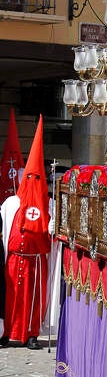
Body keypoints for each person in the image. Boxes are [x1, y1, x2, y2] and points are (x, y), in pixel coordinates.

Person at [1, 116, 50, 350]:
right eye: (28, 177)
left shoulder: (48, 206)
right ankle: (7, 332)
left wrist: (52, 227)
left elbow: (52, 234)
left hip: (35, 263)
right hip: (13, 260)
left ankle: (31, 333)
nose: (32, 181)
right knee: (10, 297)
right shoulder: (11, 203)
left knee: (33, 299)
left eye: (36, 178)